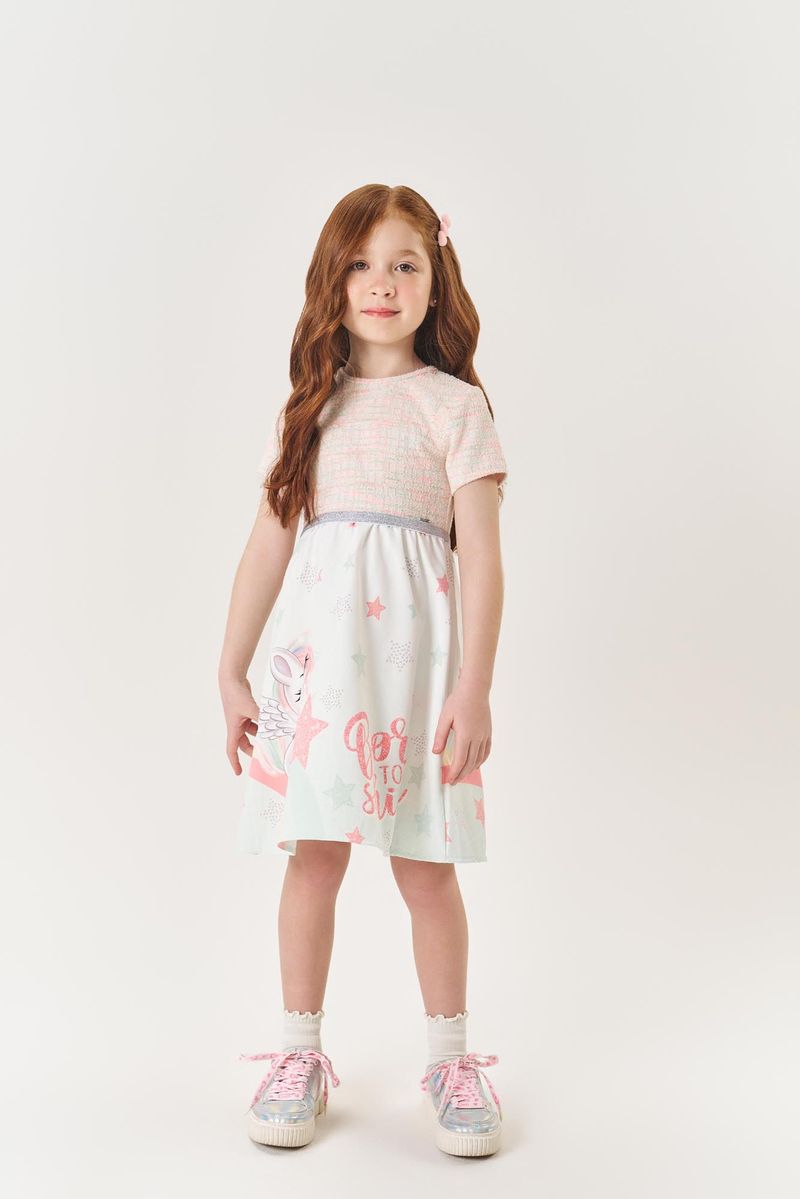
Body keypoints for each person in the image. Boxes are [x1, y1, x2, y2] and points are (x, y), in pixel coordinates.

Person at [218, 184, 508, 1157]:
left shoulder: (454, 407)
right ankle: (297, 1051)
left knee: (427, 869)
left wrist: (474, 687)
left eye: (404, 265)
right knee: (313, 858)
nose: (381, 284)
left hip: (417, 680)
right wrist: (230, 668)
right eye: (360, 265)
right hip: (323, 680)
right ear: (331, 282)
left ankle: (451, 1059)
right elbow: (267, 546)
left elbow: (482, 557)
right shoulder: (312, 409)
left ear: (436, 281)